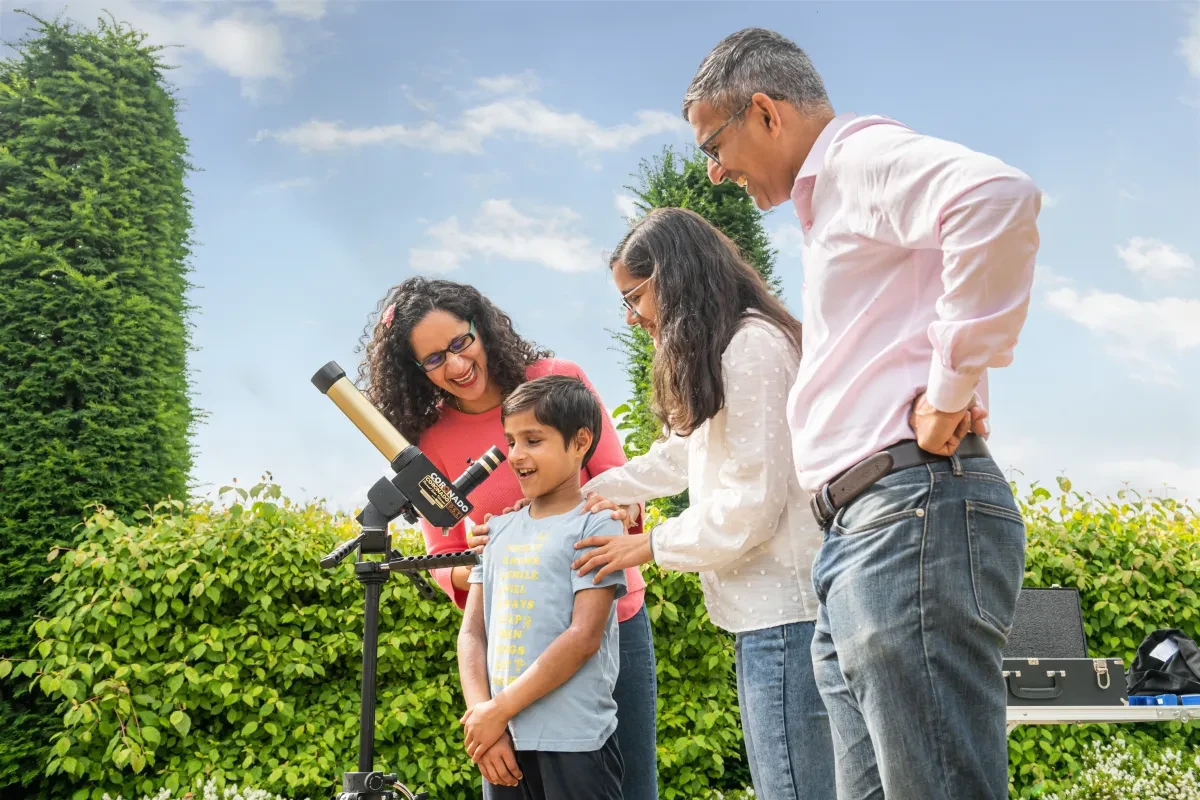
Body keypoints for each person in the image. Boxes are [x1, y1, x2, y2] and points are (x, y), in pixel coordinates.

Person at [680, 28, 1040, 800]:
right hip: (862, 531)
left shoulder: (858, 160)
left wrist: (949, 391)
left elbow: (996, 198)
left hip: (905, 515)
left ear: (767, 113)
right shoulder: (833, 202)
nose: (715, 171)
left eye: (716, 142)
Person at [566, 206, 838, 800]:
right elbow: (676, 458)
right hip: (763, 619)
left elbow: (751, 505)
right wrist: (580, 494)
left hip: (788, 616)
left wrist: (645, 544)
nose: (634, 316)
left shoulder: (752, 349)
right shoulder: (727, 351)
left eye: (634, 296)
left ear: (675, 276)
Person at [357, 276, 658, 799]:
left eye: (459, 342)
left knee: (629, 787)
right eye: (432, 359)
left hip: (611, 625)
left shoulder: (559, 381)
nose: (454, 365)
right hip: (513, 649)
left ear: (481, 327)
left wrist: (581, 518)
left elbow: (627, 495)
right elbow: (441, 563)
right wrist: (478, 553)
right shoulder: (430, 443)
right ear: (415, 370)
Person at [457, 375, 627, 800]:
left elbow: (584, 636)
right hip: (502, 742)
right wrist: (484, 720)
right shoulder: (494, 531)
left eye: (533, 440)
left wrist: (498, 710)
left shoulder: (597, 523)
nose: (516, 455)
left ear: (580, 441)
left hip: (575, 741)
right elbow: (472, 633)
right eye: (512, 441)